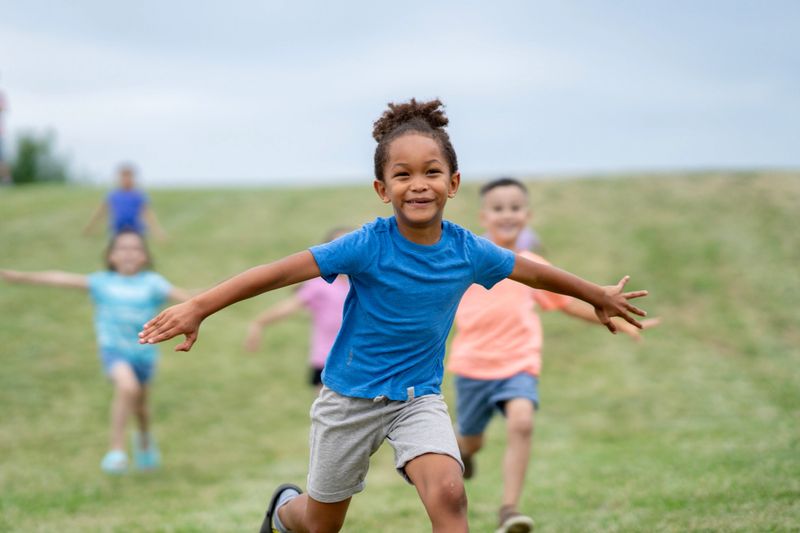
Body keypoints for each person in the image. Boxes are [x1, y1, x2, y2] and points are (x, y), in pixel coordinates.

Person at [137, 98, 648, 533]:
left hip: (416, 398)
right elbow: (279, 273)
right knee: (320, 523)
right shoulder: (366, 244)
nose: (418, 184)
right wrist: (200, 305)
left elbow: (534, 274)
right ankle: (282, 511)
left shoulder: (469, 250)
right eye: (402, 174)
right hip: (348, 400)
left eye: (431, 172)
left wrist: (594, 295)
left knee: (450, 494)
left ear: (454, 182)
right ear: (383, 188)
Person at [449, 177, 660, 532]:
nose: (507, 215)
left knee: (522, 421)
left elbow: (566, 302)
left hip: (519, 363)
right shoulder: (470, 260)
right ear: (484, 215)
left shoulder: (532, 264)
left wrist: (617, 321)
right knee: (471, 439)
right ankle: (466, 452)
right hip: (472, 366)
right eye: (498, 208)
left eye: (515, 208)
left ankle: (509, 510)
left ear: (527, 215)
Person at [1, 231, 190, 474]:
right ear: (111, 256)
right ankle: (117, 450)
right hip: (114, 352)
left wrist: (217, 297)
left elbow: (187, 300)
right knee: (127, 387)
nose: (129, 253)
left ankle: (144, 441)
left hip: (144, 354)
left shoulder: (153, 283)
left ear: (145, 256)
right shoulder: (101, 282)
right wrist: (20, 277)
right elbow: (59, 278)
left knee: (141, 407)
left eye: (135, 248)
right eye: (122, 248)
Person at [244, 227, 352, 392]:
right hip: (328, 362)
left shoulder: (364, 282)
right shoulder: (320, 284)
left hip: (362, 363)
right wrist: (259, 323)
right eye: (338, 245)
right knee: (331, 416)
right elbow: (289, 306)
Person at [83, 163, 167, 239]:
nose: (126, 179)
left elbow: (148, 214)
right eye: (123, 177)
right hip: (117, 229)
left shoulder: (139, 195)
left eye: (129, 176)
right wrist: (90, 227)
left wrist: (158, 232)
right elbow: (100, 212)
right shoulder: (113, 195)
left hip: (136, 229)